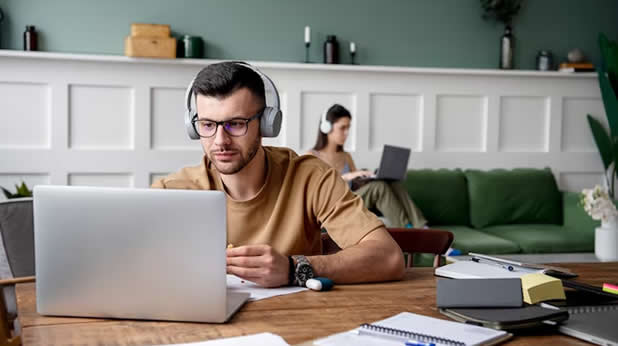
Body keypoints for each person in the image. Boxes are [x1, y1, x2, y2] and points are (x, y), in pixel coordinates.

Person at [152, 62, 404, 288]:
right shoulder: (171, 191)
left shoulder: (310, 177)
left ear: (266, 124)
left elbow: (389, 257)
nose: (220, 141)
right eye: (208, 125)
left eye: (236, 124)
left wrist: (294, 268)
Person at [308, 104, 427, 229]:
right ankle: (409, 230)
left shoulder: (346, 155)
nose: (347, 133)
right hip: (332, 206)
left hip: (352, 199)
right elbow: (314, 191)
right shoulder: (311, 156)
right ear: (326, 127)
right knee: (379, 188)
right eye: (342, 128)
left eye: (348, 128)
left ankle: (422, 227)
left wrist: (369, 176)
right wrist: (347, 176)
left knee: (391, 183)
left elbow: (356, 184)